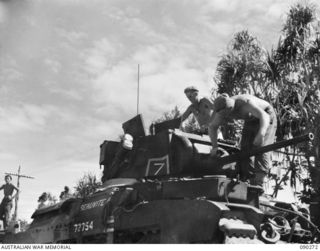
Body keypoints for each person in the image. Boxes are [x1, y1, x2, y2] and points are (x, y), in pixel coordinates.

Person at [209, 93, 277, 186]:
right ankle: (247, 181)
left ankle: (258, 184)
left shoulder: (245, 103)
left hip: (266, 115)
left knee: (261, 148)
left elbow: (264, 116)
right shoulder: (220, 110)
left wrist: (261, 133)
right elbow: (212, 127)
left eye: (230, 110)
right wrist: (214, 147)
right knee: (245, 150)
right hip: (250, 120)